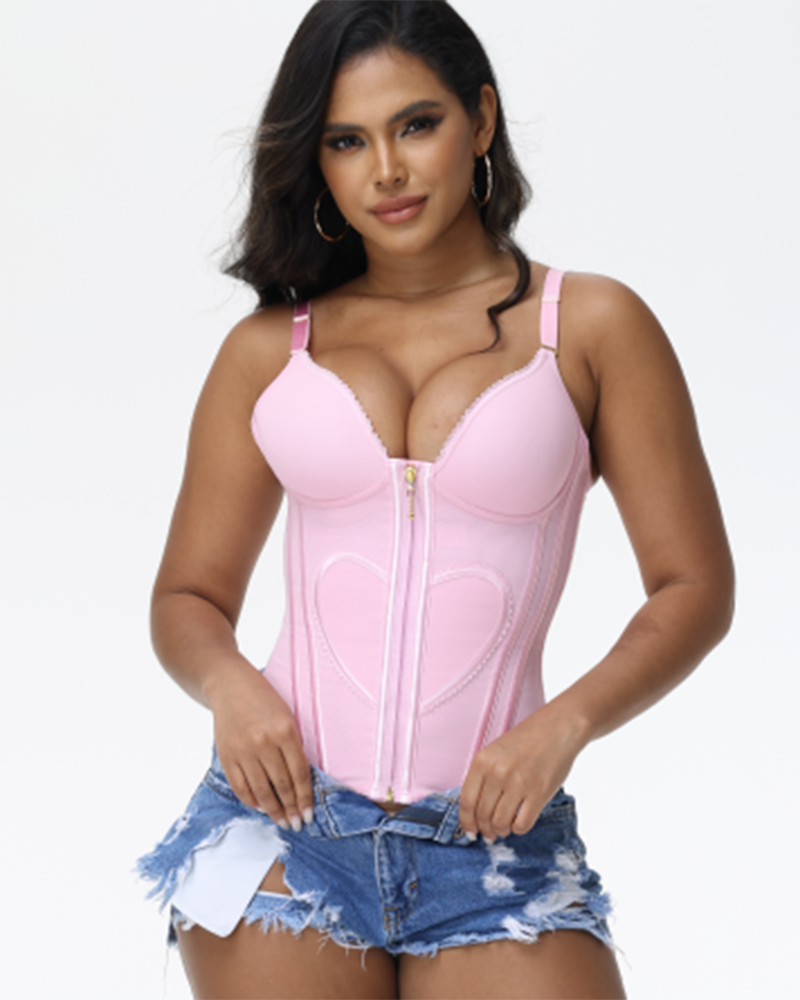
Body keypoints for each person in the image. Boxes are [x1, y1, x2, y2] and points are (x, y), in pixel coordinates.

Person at [137, 1, 734, 997]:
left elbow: (693, 586)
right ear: (316, 159)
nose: (386, 170)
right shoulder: (268, 350)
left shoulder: (590, 325)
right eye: (346, 140)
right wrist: (230, 688)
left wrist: (563, 725)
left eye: (416, 124)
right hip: (282, 826)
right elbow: (186, 596)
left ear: (481, 118)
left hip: (493, 840)